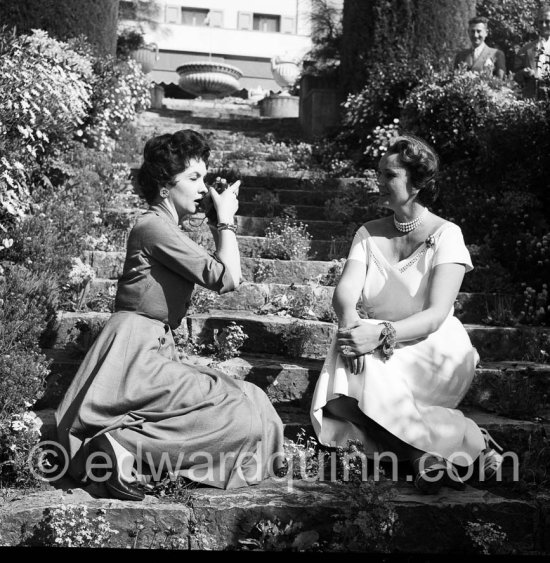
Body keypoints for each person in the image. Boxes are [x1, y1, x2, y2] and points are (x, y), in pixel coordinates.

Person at [55, 129, 285, 500]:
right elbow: (227, 278)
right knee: (237, 414)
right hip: (134, 354)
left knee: (251, 397)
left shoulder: (166, 228)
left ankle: (125, 453)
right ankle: (121, 445)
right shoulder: (154, 227)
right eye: (194, 178)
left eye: (204, 178)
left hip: (156, 348)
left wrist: (217, 222)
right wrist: (225, 220)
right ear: (165, 187)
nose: (202, 188)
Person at [310, 135, 503, 494]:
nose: (379, 182)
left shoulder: (448, 235)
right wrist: (352, 328)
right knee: (336, 399)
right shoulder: (367, 232)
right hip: (375, 342)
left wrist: (380, 334)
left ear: (417, 184)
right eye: (379, 173)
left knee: (344, 395)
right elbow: (346, 293)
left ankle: (459, 440)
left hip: (433, 347)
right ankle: (427, 454)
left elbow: (435, 315)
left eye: (389, 175)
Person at [514, 5, 550, 99]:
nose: (544, 25)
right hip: (533, 102)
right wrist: (523, 73)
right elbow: (515, 78)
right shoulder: (526, 49)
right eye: (541, 22)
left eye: (548, 21)